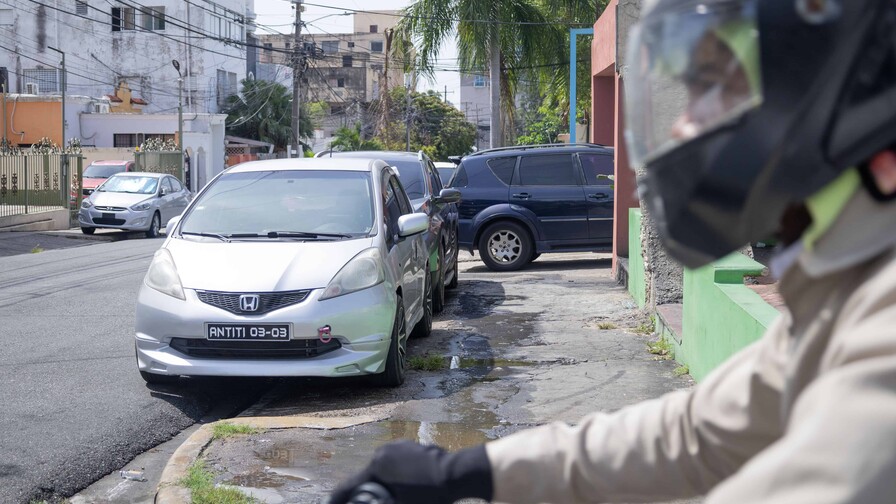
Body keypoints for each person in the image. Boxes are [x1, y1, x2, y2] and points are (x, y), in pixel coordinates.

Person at [330, 0, 896, 502]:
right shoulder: (838, 294)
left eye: (718, 88)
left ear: (847, 102)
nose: (687, 125)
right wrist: (476, 471)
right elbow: (698, 435)